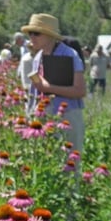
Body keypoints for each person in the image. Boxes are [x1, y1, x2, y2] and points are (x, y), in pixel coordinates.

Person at [22, 13, 86, 153]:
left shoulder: (69, 55)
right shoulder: (38, 57)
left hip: (67, 116)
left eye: (36, 33)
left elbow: (80, 90)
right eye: (30, 33)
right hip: (44, 116)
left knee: (69, 163)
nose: (31, 37)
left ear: (49, 35)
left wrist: (48, 88)